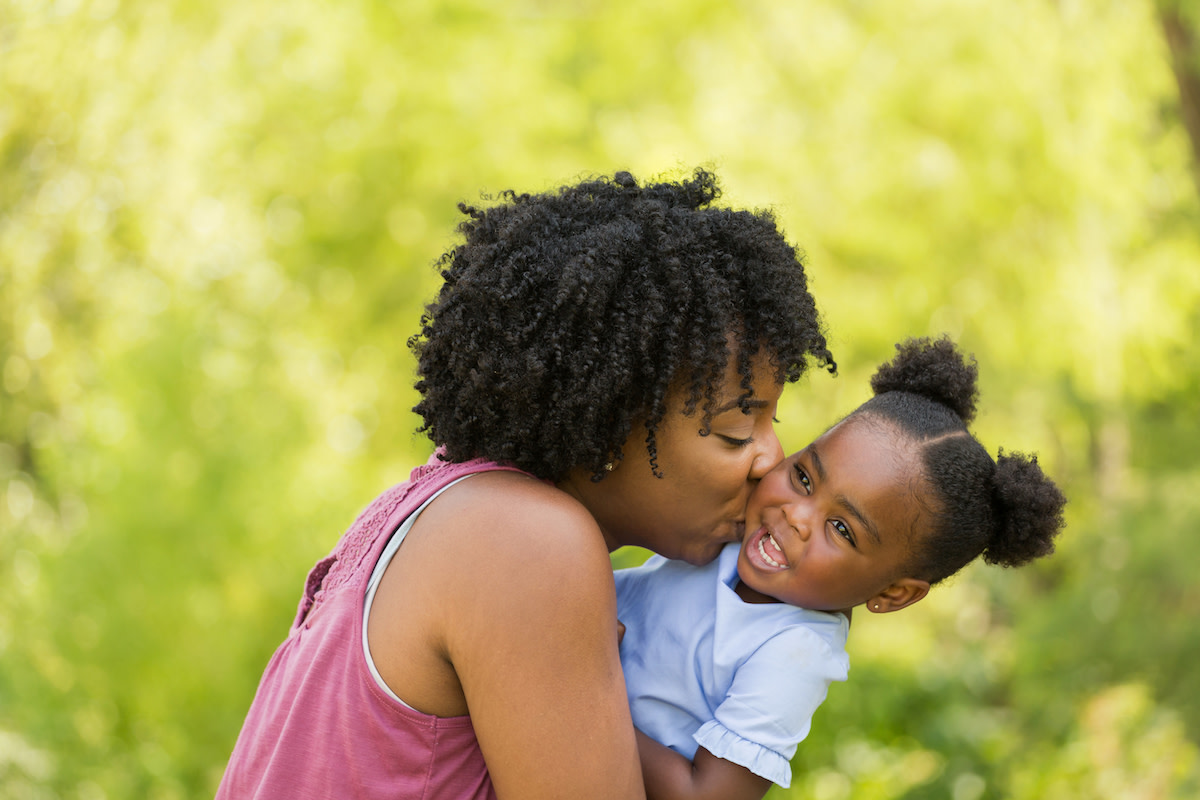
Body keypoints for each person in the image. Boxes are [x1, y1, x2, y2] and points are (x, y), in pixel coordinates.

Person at [215, 168, 837, 800]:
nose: (771, 459)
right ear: (610, 417)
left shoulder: (445, 501)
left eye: (772, 422)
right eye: (736, 430)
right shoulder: (528, 543)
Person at [614, 336, 1067, 800]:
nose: (795, 515)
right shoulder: (730, 529)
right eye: (803, 477)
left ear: (893, 593)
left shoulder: (793, 652)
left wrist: (592, 682)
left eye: (842, 529)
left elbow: (703, 796)